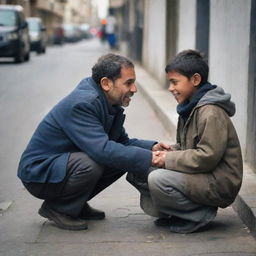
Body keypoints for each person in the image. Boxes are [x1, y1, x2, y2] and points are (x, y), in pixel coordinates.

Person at [17, 53, 169, 231]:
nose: (134, 89)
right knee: (93, 162)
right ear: (106, 83)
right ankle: (58, 208)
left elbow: (122, 142)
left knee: (121, 157)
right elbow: (102, 150)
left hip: (62, 165)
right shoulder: (84, 103)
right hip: (40, 172)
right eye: (128, 83)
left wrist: (153, 147)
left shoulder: (107, 102)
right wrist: (151, 158)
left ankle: (75, 204)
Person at [127, 49, 243, 234]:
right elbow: (188, 148)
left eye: (174, 82)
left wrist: (167, 159)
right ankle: (176, 212)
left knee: (158, 178)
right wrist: (163, 153)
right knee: (140, 167)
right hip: (202, 174)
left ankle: (198, 214)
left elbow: (206, 157)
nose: (170, 88)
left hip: (219, 181)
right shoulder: (190, 107)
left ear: (195, 80)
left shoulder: (210, 112)